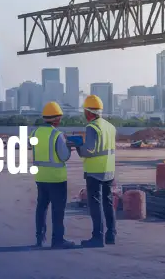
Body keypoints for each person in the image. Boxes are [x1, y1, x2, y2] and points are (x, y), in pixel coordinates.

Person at [32, 101, 76, 249]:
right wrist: (69, 148)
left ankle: (40, 238)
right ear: (57, 119)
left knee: (41, 208)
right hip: (56, 179)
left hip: (40, 177)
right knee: (58, 211)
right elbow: (63, 156)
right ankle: (57, 240)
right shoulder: (57, 135)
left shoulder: (36, 132)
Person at [77, 94, 116, 247]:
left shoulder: (92, 127)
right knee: (108, 202)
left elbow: (89, 150)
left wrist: (78, 147)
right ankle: (111, 234)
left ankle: (97, 237)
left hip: (95, 172)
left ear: (88, 112)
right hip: (109, 170)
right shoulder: (110, 127)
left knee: (95, 204)